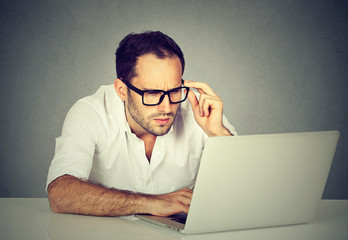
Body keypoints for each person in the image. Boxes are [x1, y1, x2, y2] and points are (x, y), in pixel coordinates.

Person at [46, 31, 237, 217]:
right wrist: (152, 202)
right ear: (122, 90)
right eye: (152, 93)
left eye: (175, 91)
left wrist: (218, 133)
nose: (167, 106)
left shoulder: (199, 109)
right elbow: (60, 193)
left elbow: (249, 186)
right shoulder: (91, 112)